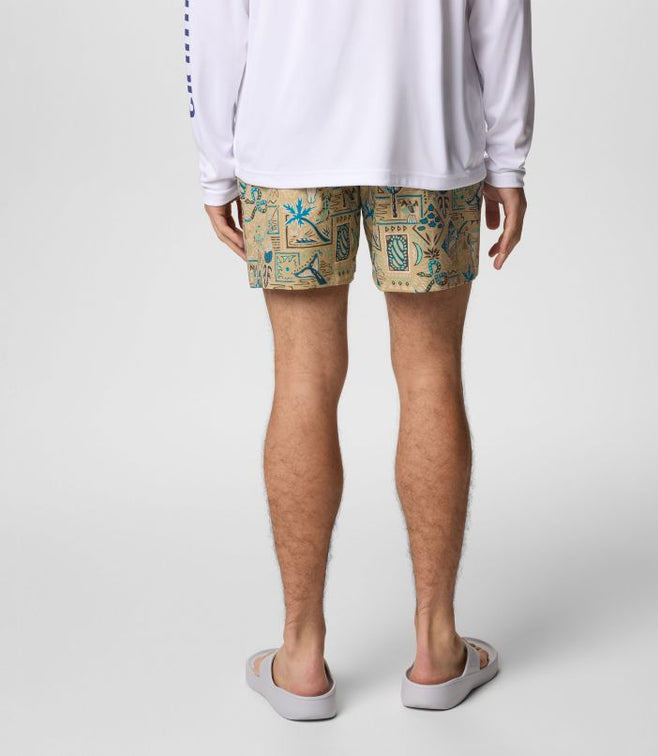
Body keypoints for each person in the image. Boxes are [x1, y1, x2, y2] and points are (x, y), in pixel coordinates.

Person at [184, 0, 534, 719]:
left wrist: (216, 165)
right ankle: (437, 649)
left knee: (303, 383)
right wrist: (508, 157)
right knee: (431, 376)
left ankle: (300, 658)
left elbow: (215, 15)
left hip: (288, 143)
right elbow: (501, 11)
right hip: (428, 134)